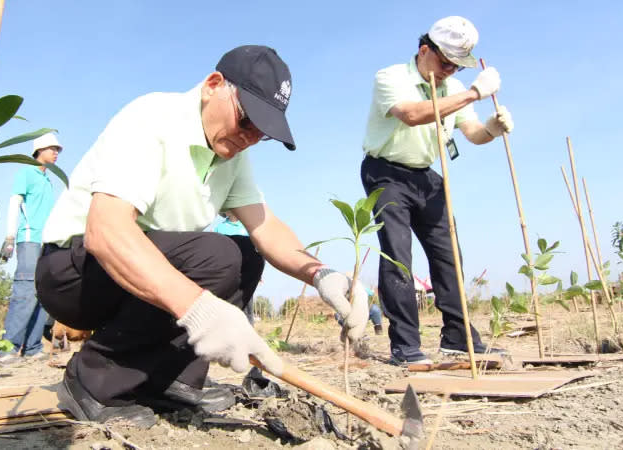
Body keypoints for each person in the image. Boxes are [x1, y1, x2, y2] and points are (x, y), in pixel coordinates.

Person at [36, 45, 369, 427]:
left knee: (244, 256)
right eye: (247, 121)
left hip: (137, 273)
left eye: (262, 133)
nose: (250, 138)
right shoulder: (152, 119)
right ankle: (94, 380)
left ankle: (172, 379)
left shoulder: (232, 155)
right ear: (213, 85)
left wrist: (321, 274)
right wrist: (199, 309)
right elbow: (105, 232)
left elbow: (266, 226)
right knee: (218, 257)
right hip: (74, 273)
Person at [361, 16, 513, 365]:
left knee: (448, 257)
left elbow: (472, 132)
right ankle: (405, 345)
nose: (449, 71)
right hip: (386, 173)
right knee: (398, 256)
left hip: (427, 177)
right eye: (445, 62)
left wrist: (492, 128)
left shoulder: (456, 90)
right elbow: (412, 114)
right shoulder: (390, 77)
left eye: (457, 67)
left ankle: (458, 337)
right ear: (424, 49)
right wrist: (475, 92)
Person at [0, 133, 62, 365]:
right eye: (52, 148)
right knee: (24, 292)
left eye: (58, 150)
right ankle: (8, 349)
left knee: (42, 293)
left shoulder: (47, 179)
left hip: (46, 242)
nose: (56, 153)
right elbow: (15, 202)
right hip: (29, 239)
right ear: (39, 150)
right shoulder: (26, 172)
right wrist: (10, 236)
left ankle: (32, 347)